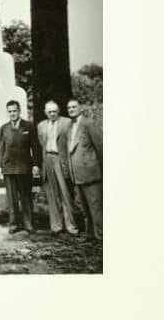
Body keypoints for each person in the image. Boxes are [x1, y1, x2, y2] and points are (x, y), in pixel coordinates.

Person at [0, 100, 40, 234]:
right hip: (8, 167)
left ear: (19, 111)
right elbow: (2, 148)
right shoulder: (4, 128)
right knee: (12, 198)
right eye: (10, 111)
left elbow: (36, 147)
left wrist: (36, 164)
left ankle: (28, 224)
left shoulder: (29, 126)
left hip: (24, 167)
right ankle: (14, 224)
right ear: (7, 112)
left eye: (14, 111)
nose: (12, 113)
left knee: (26, 197)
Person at [37, 101, 78, 236]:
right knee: (52, 194)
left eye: (54, 111)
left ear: (59, 111)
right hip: (47, 159)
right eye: (49, 112)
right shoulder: (41, 125)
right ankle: (56, 226)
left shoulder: (67, 123)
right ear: (45, 112)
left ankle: (71, 226)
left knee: (66, 193)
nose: (52, 114)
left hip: (61, 160)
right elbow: (40, 146)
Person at [67, 98, 103, 241]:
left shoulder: (89, 123)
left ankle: (101, 236)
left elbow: (100, 148)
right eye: (69, 108)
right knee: (84, 207)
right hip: (77, 174)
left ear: (80, 108)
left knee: (96, 206)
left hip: (91, 173)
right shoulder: (70, 126)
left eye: (74, 107)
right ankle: (89, 235)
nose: (71, 110)